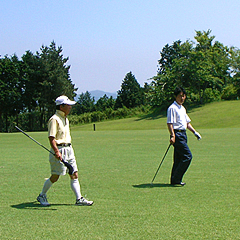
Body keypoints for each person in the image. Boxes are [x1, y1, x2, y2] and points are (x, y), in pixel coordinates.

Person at [37, 95, 93, 206]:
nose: (70, 107)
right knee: (55, 176)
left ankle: (79, 199)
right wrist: (56, 151)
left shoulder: (65, 118)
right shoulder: (54, 119)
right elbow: (51, 137)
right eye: (68, 105)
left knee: (74, 173)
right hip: (59, 149)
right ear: (61, 106)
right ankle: (42, 195)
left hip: (69, 149)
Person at [167, 87, 201, 186]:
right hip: (177, 134)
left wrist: (194, 132)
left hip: (183, 134)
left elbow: (187, 123)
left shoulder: (182, 108)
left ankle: (174, 180)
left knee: (178, 159)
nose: (182, 98)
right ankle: (177, 178)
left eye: (183, 96)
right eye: (180, 96)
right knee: (187, 156)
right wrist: (172, 135)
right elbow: (170, 123)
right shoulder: (172, 108)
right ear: (175, 96)